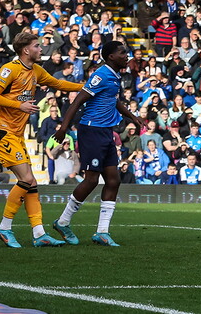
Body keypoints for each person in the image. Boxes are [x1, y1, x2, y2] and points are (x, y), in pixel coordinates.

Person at [0, 32, 82, 248]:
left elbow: (58, 83)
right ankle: (4, 227)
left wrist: (86, 88)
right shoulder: (10, 69)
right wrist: (18, 105)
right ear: (26, 50)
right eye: (37, 46)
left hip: (17, 134)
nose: (41, 49)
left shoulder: (36, 71)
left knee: (31, 183)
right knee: (27, 179)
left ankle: (39, 234)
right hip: (2, 132)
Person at [51, 41, 142, 247]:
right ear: (110, 57)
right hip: (91, 131)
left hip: (105, 132)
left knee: (113, 180)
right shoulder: (101, 75)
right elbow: (78, 100)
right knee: (91, 180)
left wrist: (132, 116)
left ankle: (102, 232)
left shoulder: (115, 75)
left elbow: (113, 100)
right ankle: (63, 222)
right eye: (122, 53)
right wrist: (64, 127)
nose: (126, 56)